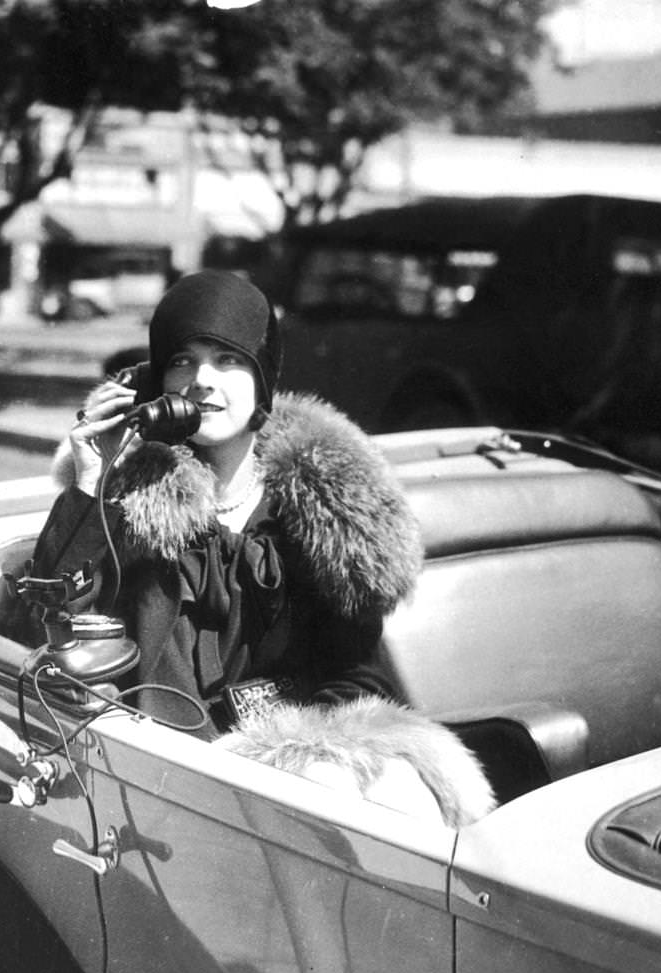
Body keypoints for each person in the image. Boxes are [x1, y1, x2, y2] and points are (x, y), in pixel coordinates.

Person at [30, 269, 494, 826]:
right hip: (168, 777)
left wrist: (309, 756)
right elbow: (53, 619)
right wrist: (92, 481)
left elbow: (357, 674)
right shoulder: (130, 506)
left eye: (227, 360)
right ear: (157, 386)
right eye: (182, 361)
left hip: (301, 757)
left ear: (262, 379)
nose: (202, 380)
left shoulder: (316, 509)